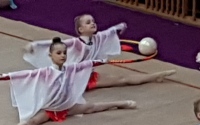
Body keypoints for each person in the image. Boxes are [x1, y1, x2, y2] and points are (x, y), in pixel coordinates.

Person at [0, 37, 136, 125]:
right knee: (32, 122)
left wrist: (103, 61)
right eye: (58, 53)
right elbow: (24, 74)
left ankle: (121, 103)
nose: (63, 55)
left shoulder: (71, 68)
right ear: (50, 55)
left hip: (66, 105)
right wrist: (2, 76)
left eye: (64, 53)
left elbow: (87, 64)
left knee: (91, 107)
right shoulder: (45, 72)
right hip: (51, 107)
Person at [23, 15, 174, 90]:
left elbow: (109, 32)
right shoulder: (76, 43)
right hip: (74, 80)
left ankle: (155, 76)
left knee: (123, 80)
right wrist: (35, 44)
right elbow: (54, 43)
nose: (93, 23)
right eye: (88, 23)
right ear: (81, 29)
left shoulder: (98, 38)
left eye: (93, 21)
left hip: (88, 77)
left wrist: (119, 26)